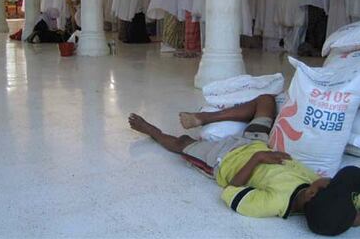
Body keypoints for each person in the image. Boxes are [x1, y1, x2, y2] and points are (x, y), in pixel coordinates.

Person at [128, 94, 360, 236]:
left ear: (312, 194)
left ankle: (150, 130)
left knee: (182, 143)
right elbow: (345, 217)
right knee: (266, 101)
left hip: (223, 159)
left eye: (330, 183)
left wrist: (256, 160)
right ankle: (204, 118)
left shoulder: (275, 203)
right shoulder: (314, 189)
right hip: (255, 143)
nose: (328, 178)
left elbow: (231, 192)